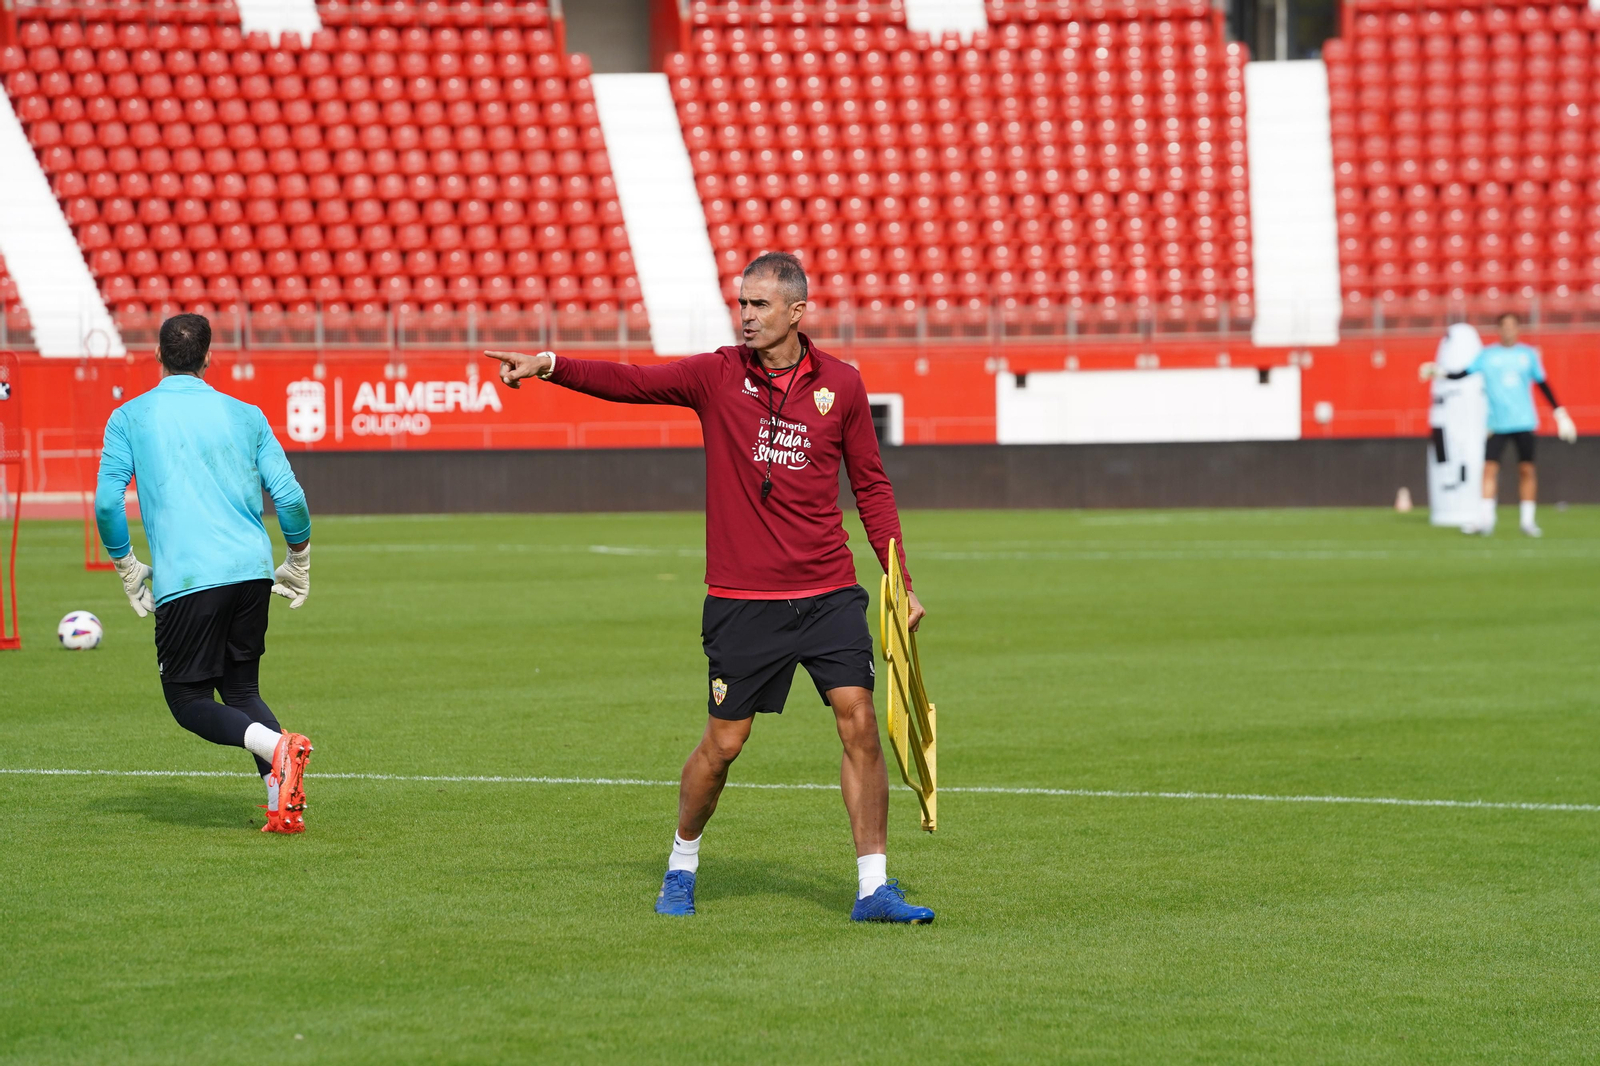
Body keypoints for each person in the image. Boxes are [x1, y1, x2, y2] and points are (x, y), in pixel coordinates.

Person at [486, 252, 935, 924]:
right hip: (742, 601)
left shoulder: (840, 384)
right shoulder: (716, 375)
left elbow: (870, 484)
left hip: (829, 591)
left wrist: (900, 582)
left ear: (795, 312)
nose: (745, 316)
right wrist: (551, 365)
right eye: (742, 303)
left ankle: (873, 886)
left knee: (861, 723)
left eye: (758, 304)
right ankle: (682, 862)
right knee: (724, 745)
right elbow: (632, 381)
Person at [95, 314, 316, 833]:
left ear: (157, 354)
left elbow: (108, 504)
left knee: (187, 699)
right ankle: (280, 802)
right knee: (241, 691)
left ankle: (277, 746)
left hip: (189, 579)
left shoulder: (128, 417)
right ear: (209, 357)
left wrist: (126, 564)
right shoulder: (246, 414)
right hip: (251, 572)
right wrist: (299, 561)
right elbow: (289, 496)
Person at [1421, 311, 1578, 537]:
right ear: (1499, 329)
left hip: (1524, 422)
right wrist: (1441, 372)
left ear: (1517, 329)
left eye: (1512, 326)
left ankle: (1527, 521)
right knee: (1489, 469)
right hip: (1497, 424)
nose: (1508, 330)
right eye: (1504, 326)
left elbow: (1543, 384)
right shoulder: (1487, 356)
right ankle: (1486, 520)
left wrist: (1560, 413)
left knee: (1526, 469)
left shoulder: (1528, 355)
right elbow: (1462, 374)